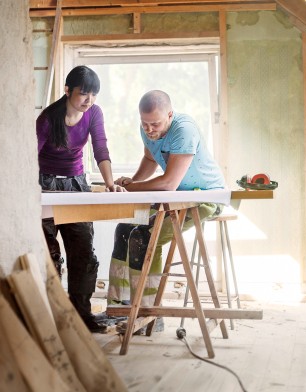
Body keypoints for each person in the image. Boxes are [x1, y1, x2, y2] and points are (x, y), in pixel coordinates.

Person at [107, 90, 226, 333]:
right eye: (145, 123)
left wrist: (130, 188)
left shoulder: (184, 130)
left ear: (170, 115)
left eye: (155, 124)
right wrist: (129, 183)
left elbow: (168, 182)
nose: (149, 129)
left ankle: (151, 312)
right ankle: (120, 306)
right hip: (174, 197)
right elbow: (150, 160)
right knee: (124, 228)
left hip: (203, 196)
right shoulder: (147, 128)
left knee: (146, 236)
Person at [37, 65, 125, 333]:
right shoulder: (47, 119)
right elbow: (27, 155)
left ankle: (81, 315)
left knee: (83, 252)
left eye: (93, 95)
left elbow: (100, 147)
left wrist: (111, 184)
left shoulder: (93, 113)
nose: (89, 100)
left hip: (77, 185)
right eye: (83, 94)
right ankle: (51, 316)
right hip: (45, 186)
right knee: (49, 255)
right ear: (67, 91)